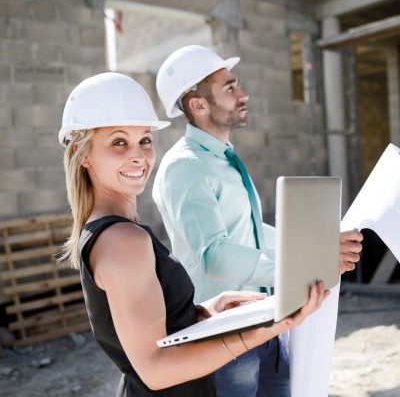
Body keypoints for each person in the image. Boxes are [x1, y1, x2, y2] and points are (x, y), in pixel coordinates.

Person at [58, 72, 329, 397]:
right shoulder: (123, 241)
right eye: (119, 142)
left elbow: (155, 329)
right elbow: (156, 368)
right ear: (83, 153)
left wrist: (206, 310)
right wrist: (268, 328)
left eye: (144, 139)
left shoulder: (113, 233)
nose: (138, 154)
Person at [153, 45, 364, 397]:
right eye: (230, 87)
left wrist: (318, 245)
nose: (243, 94)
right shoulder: (185, 167)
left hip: (266, 322)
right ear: (198, 105)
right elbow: (214, 255)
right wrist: (304, 262)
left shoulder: (224, 160)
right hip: (224, 337)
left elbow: (250, 231)